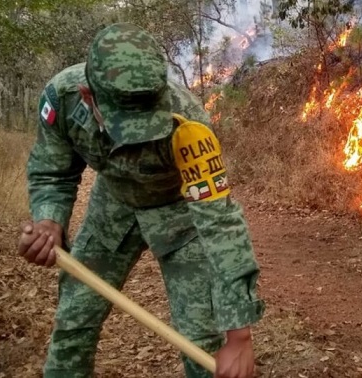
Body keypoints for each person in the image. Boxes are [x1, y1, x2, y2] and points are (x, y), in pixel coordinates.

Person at [16, 22, 265, 378]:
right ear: (90, 96)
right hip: (113, 206)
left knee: (202, 341)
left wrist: (239, 334)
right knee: (73, 322)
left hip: (179, 214)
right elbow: (52, 172)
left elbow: (219, 221)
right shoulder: (63, 100)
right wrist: (48, 222)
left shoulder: (190, 124)